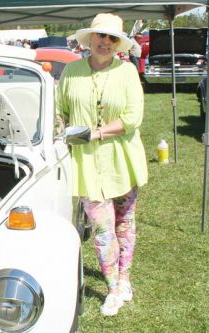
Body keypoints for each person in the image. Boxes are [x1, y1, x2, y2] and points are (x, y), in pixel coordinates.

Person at [56, 13, 148, 316]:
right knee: (102, 229)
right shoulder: (70, 72)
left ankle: (125, 278)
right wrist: (60, 129)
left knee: (125, 224)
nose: (104, 42)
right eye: (100, 36)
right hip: (86, 164)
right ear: (90, 39)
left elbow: (133, 117)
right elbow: (61, 111)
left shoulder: (128, 72)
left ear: (119, 43)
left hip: (123, 160)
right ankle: (112, 288)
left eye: (112, 38)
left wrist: (95, 132)